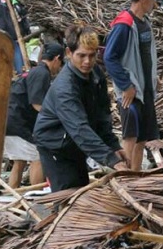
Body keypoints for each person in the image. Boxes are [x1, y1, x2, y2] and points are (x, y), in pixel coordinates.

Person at [33, 28, 125, 191]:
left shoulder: (95, 74)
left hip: (74, 143)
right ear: (69, 53)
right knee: (67, 193)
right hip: (55, 144)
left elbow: (102, 115)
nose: (87, 61)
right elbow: (79, 128)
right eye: (81, 55)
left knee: (81, 189)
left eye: (91, 55)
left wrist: (114, 145)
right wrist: (112, 160)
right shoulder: (65, 87)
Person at [104, 0, 163, 172]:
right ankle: (126, 177)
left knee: (142, 137)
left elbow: (146, 55)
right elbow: (109, 57)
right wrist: (126, 85)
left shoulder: (145, 23)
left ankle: (136, 175)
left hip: (145, 88)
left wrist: (154, 78)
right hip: (132, 92)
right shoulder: (124, 24)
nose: (155, 3)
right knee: (130, 136)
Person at [6, 43, 64, 188]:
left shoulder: (36, 71)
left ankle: (13, 195)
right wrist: (57, 118)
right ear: (57, 59)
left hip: (10, 121)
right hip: (18, 124)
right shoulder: (42, 73)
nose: (60, 68)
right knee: (38, 156)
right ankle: (37, 196)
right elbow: (37, 103)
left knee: (20, 161)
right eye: (61, 63)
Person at [0, 0, 31, 74]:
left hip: (10, 35)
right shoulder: (15, 3)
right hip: (13, 35)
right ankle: (21, 72)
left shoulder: (3, 5)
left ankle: (21, 73)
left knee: (17, 56)